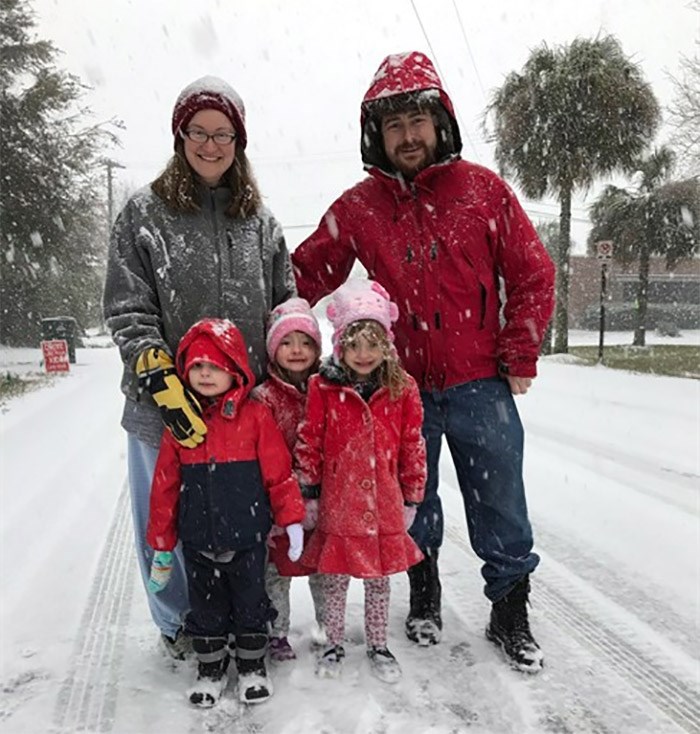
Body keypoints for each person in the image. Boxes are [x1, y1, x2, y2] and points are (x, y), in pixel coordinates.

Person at [291, 51, 555, 673]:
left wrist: (519, 349)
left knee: (500, 501)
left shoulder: (483, 191)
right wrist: (288, 340)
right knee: (411, 495)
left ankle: (509, 608)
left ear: (440, 123)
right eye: (393, 126)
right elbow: (301, 275)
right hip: (393, 388)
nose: (407, 137)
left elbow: (533, 272)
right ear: (376, 135)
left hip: (478, 383)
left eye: (417, 121)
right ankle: (424, 594)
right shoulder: (358, 208)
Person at [102, 75, 296, 660]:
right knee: (165, 518)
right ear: (179, 135)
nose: (211, 145)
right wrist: (159, 378)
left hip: (244, 412)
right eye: (199, 132)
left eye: (224, 134)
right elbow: (126, 305)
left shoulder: (259, 222)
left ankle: (248, 621)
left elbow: (283, 301)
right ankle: (181, 624)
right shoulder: (144, 214)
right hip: (163, 410)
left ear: (239, 142)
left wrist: (290, 370)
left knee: (245, 522)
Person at [146, 318, 305, 706]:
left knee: (252, 605)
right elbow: (164, 487)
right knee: (206, 609)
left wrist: (292, 519)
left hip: (248, 540)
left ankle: (252, 667)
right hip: (198, 542)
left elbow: (278, 474)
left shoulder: (255, 417)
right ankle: (210, 670)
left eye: (214, 366)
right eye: (197, 366)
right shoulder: (180, 424)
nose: (204, 374)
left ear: (234, 371)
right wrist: (163, 544)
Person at [294, 279, 427, 684]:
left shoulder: (402, 388)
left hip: (384, 504)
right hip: (339, 504)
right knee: (334, 580)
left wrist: (412, 496)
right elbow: (309, 439)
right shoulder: (322, 387)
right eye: (354, 345)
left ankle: (378, 644)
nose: (364, 354)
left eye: (373, 344)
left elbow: (412, 444)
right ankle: (334, 643)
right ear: (340, 346)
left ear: (387, 344)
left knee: (378, 582)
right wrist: (310, 492)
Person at [251, 298, 326, 661]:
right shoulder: (262, 397)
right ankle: (277, 632)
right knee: (275, 571)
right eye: (287, 342)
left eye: (306, 342)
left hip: (321, 498)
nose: (297, 350)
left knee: (323, 568)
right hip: (277, 501)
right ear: (272, 348)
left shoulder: (327, 389)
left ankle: (329, 627)